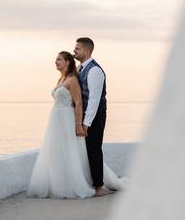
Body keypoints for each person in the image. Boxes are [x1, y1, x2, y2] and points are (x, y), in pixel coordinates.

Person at [26, 51, 126, 199]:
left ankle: (87, 183)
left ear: (67, 62)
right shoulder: (61, 78)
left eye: (59, 59)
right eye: (56, 59)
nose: (56, 62)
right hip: (56, 120)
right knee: (59, 150)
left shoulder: (72, 80)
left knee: (73, 150)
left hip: (67, 118)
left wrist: (80, 124)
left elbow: (79, 103)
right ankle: (59, 182)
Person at [72, 37, 109, 196]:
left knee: (94, 149)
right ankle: (89, 182)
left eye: (77, 48)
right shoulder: (80, 69)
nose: (74, 51)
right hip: (85, 116)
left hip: (95, 116)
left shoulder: (94, 70)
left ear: (86, 51)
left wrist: (86, 123)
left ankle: (98, 187)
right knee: (85, 150)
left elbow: (94, 99)